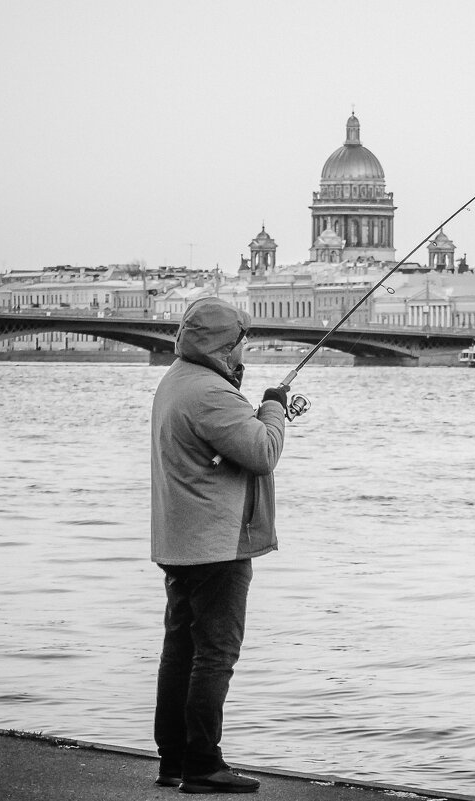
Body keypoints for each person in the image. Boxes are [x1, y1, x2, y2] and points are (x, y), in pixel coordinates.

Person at [150, 297, 289, 794]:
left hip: (180, 538)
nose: (244, 349)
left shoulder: (177, 380)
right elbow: (262, 451)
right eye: (240, 342)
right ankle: (204, 764)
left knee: (181, 650)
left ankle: (173, 760)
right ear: (225, 345)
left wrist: (249, 399)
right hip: (217, 544)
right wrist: (273, 405)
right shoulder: (211, 393)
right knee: (215, 654)